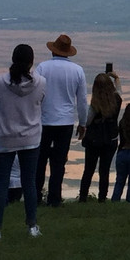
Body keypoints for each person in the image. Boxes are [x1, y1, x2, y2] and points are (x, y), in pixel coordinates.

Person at [0, 43, 46, 242]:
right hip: (31, 137)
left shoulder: (0, 82)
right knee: (29, 182)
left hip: (5, 138)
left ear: (13, 59)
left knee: (1, 183)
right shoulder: (41, 82)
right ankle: (32, 226)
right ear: (31, 62)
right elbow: (41, 101)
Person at [34, 34, 86, 207]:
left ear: (53, 50)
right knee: (59, 162)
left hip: (44, 120)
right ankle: (54, 198)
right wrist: (83, 123)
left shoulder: (42, 67)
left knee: (40, 160)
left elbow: (35, 94)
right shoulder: (77, 70)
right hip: (65, 122)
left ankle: (36, 196)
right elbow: (82, 101)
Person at [78, 71, 121, 203]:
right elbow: (119, 90)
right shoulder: (117, 100)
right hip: (110, 140)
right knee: (104, 170)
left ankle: (83, 197)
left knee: (88, 170)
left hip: (94, 141)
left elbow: (87, 121)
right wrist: (116, 78)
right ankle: (102, 198)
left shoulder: (94, 106)